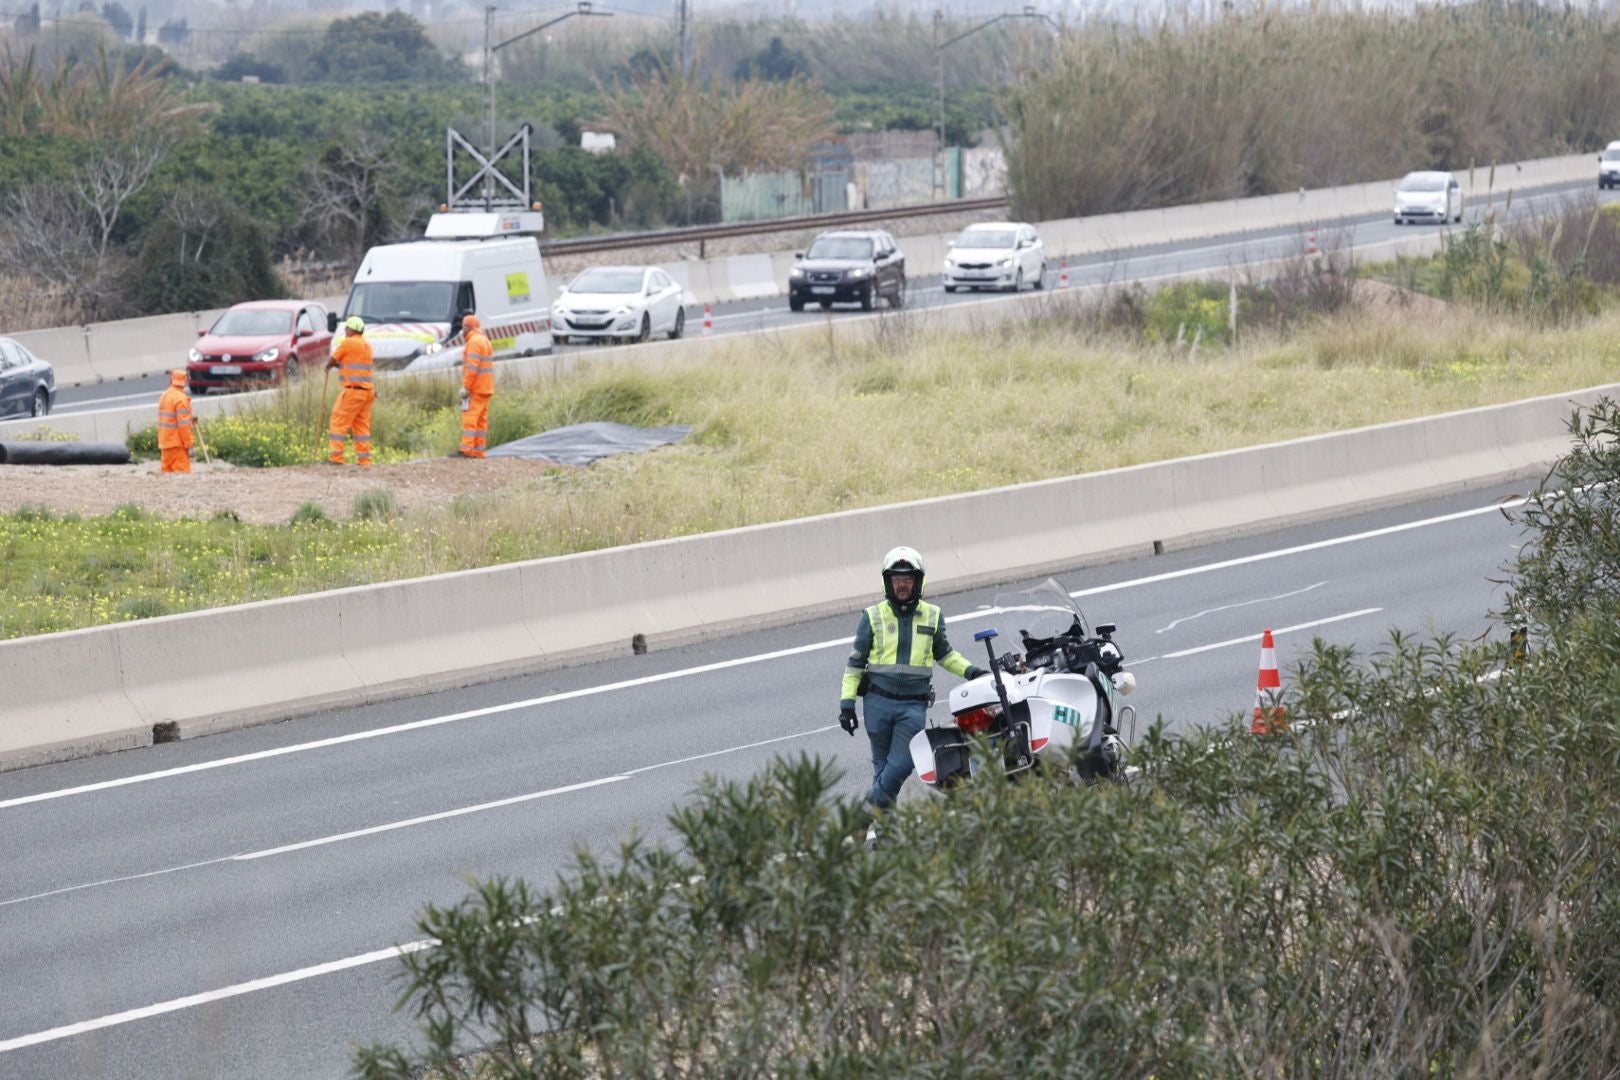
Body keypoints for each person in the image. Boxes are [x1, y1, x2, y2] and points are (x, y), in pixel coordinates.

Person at [839, 546, 985, 812]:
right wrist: (846, 705)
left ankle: (860, 820)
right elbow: (854, 665)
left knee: (902, 764)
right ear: (888, 582)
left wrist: (972, 671)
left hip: (912, 707)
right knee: (883, 769)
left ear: (918, 582)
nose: (902, 585)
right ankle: (886, 830)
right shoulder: (872, 616)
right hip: (876, 702)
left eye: (907, 579)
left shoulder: (932, 614)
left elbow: (946, 655)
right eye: (896, 579)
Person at [325, 315, 374, 468]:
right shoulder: (367, 345)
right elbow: (353, 365)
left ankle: (336, 458)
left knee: (338, 421)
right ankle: (364, 461)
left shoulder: (348, 343)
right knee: (361, 427)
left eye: (346, 329)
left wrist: (329, 366)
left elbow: (333, 359)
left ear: (351, 329)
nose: (345, 331)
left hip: (353, 391)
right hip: (368, 392)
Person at [457, 313, 494, 458]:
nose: (462, 331)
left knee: (470, 418)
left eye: (463, 327)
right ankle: (479, 450)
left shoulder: (473, 342)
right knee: (481, 421)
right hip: (486, 387)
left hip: (476, 388)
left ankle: (466, 449)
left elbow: (471, 369)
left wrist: (466, 387)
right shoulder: (484, 340)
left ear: (468, 327)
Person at [156, 369, 195, 473]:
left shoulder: (164, 396)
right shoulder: (181, 399)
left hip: (165, 443)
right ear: (185, 381)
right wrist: (189, 445)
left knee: (167, 478)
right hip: (177, 445)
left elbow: (169, 419)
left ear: (172, 379)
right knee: (183, 476)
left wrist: (190, 419)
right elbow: (183, 425)